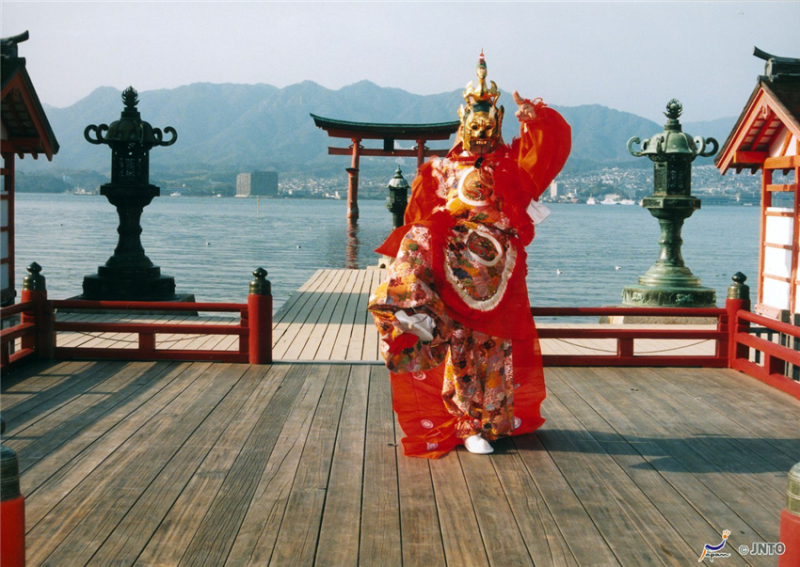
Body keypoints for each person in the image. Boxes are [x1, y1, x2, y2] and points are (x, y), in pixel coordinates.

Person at [368, 53, 571, 458]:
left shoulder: (509, 166)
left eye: (487, 122)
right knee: (456, 337)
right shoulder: (440, 169)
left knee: (492, 347)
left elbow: (545, 158)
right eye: (473, 121)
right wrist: (407, 262)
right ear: (463, 120)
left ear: (496, 122)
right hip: (453, 260)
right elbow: (417, 218)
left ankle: (486, 423)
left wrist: (536, 120)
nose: (480, 129)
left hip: (494, 265)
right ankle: (415, 309)